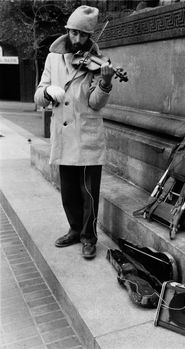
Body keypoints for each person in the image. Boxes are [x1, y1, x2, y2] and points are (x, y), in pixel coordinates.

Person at [34, 5, 114, 259]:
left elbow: (95, 103)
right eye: (73, 33)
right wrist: (46, 93)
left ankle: (89, 237)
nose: (77, 39)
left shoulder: (97, 63)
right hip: (63, 134)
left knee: (89, 192)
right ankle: (74, 229)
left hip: (87, 134)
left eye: (83, 35)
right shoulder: (52, 58)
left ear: (90, 36)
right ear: (67, 30)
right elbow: (39, 93)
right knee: (68, 190)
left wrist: (105, 82)